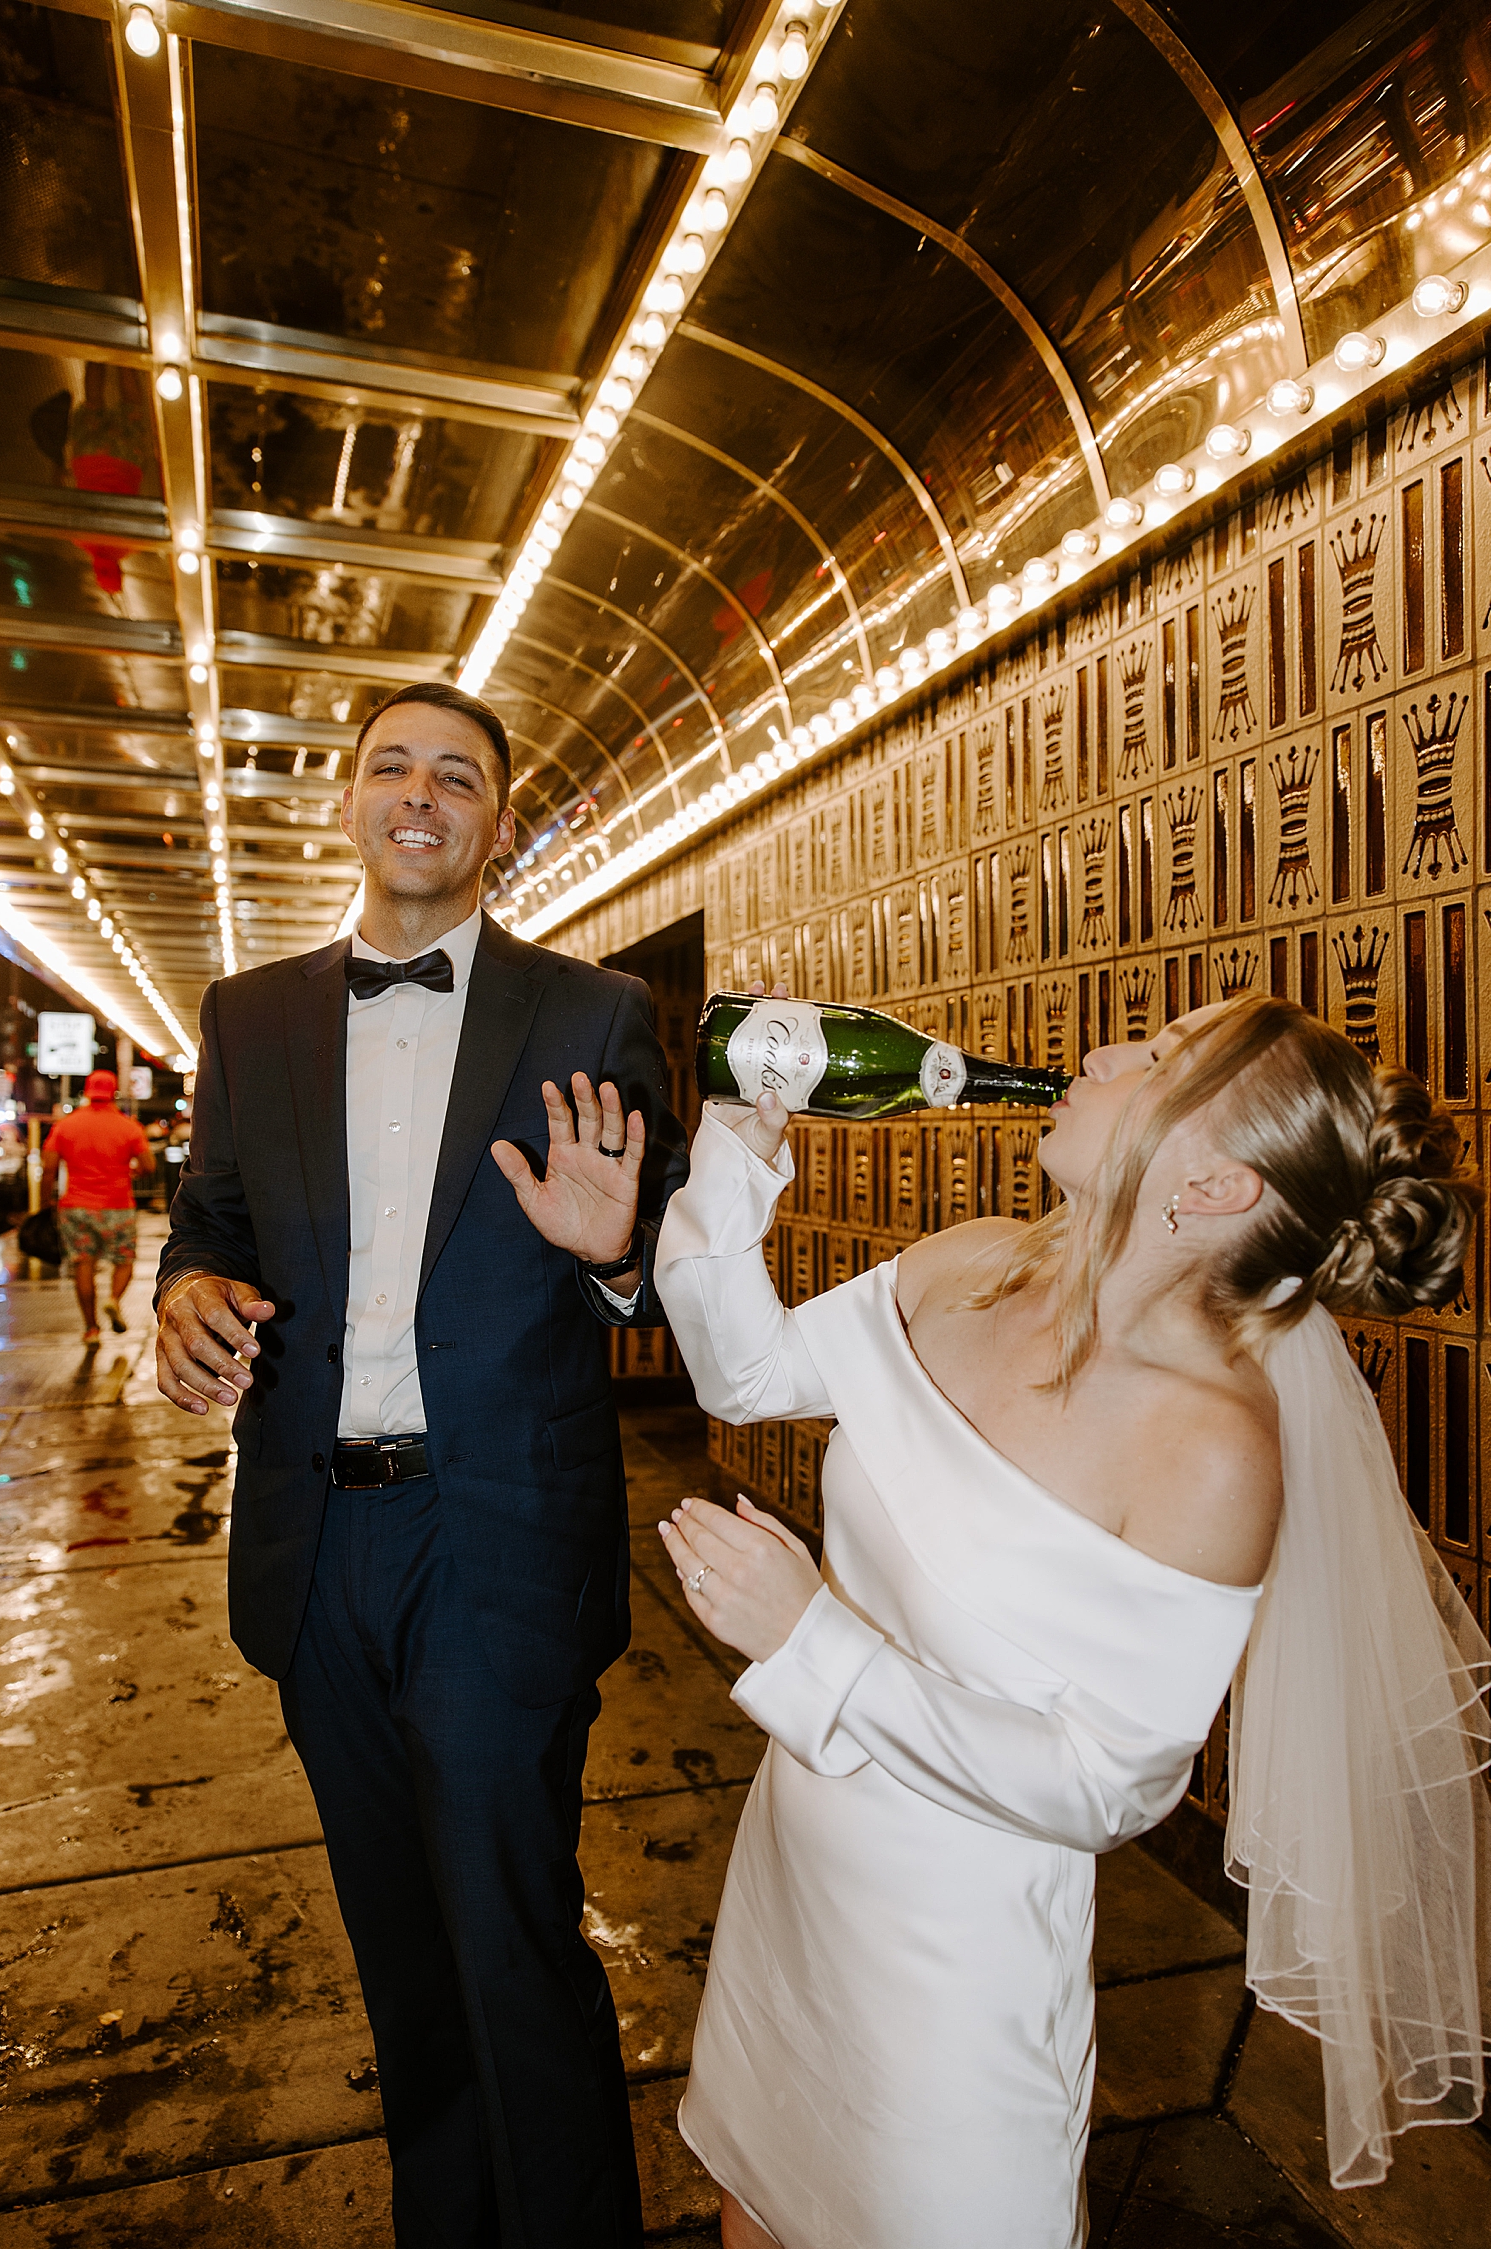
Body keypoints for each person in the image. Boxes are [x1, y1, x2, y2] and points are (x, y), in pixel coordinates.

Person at [648, 990, 1491, 2249]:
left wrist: (813, 1640)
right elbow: (747, 1371)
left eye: (1156, 1060)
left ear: (1210, 1188)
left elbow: (1111, 1783)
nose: (1100, 1049)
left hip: (955, 1970)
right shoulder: (976, 1258)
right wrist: (736, 1150)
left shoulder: (1210, 1446)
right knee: (754, 2205)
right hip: (795, 1881)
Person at [152, 680, 689, 2249]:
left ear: (497, 823)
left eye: (458, 776)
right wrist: (186, 1290)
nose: (421, 794)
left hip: (497, 1542)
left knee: (512, 1935)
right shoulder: (246, 1017)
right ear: (349, 801)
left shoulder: (589, 1013)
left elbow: (657, 1254)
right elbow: (212, 1223)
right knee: (396, 1945)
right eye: (392, 766)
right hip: (317, 1549)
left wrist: (612, 1257)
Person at [42, 1068, 154, 1341]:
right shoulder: (128, 1126)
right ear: (113, 1092)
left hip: (76, 1206)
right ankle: (114, 1299)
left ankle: (91, 1329)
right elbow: (149, 1166)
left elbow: (49, 1168)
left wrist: (46, 1203)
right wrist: (132, 1171)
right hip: (117, 1205)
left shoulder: (66, 1125)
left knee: (83, 1265)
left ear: (88, 1091)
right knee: (124, 1260)